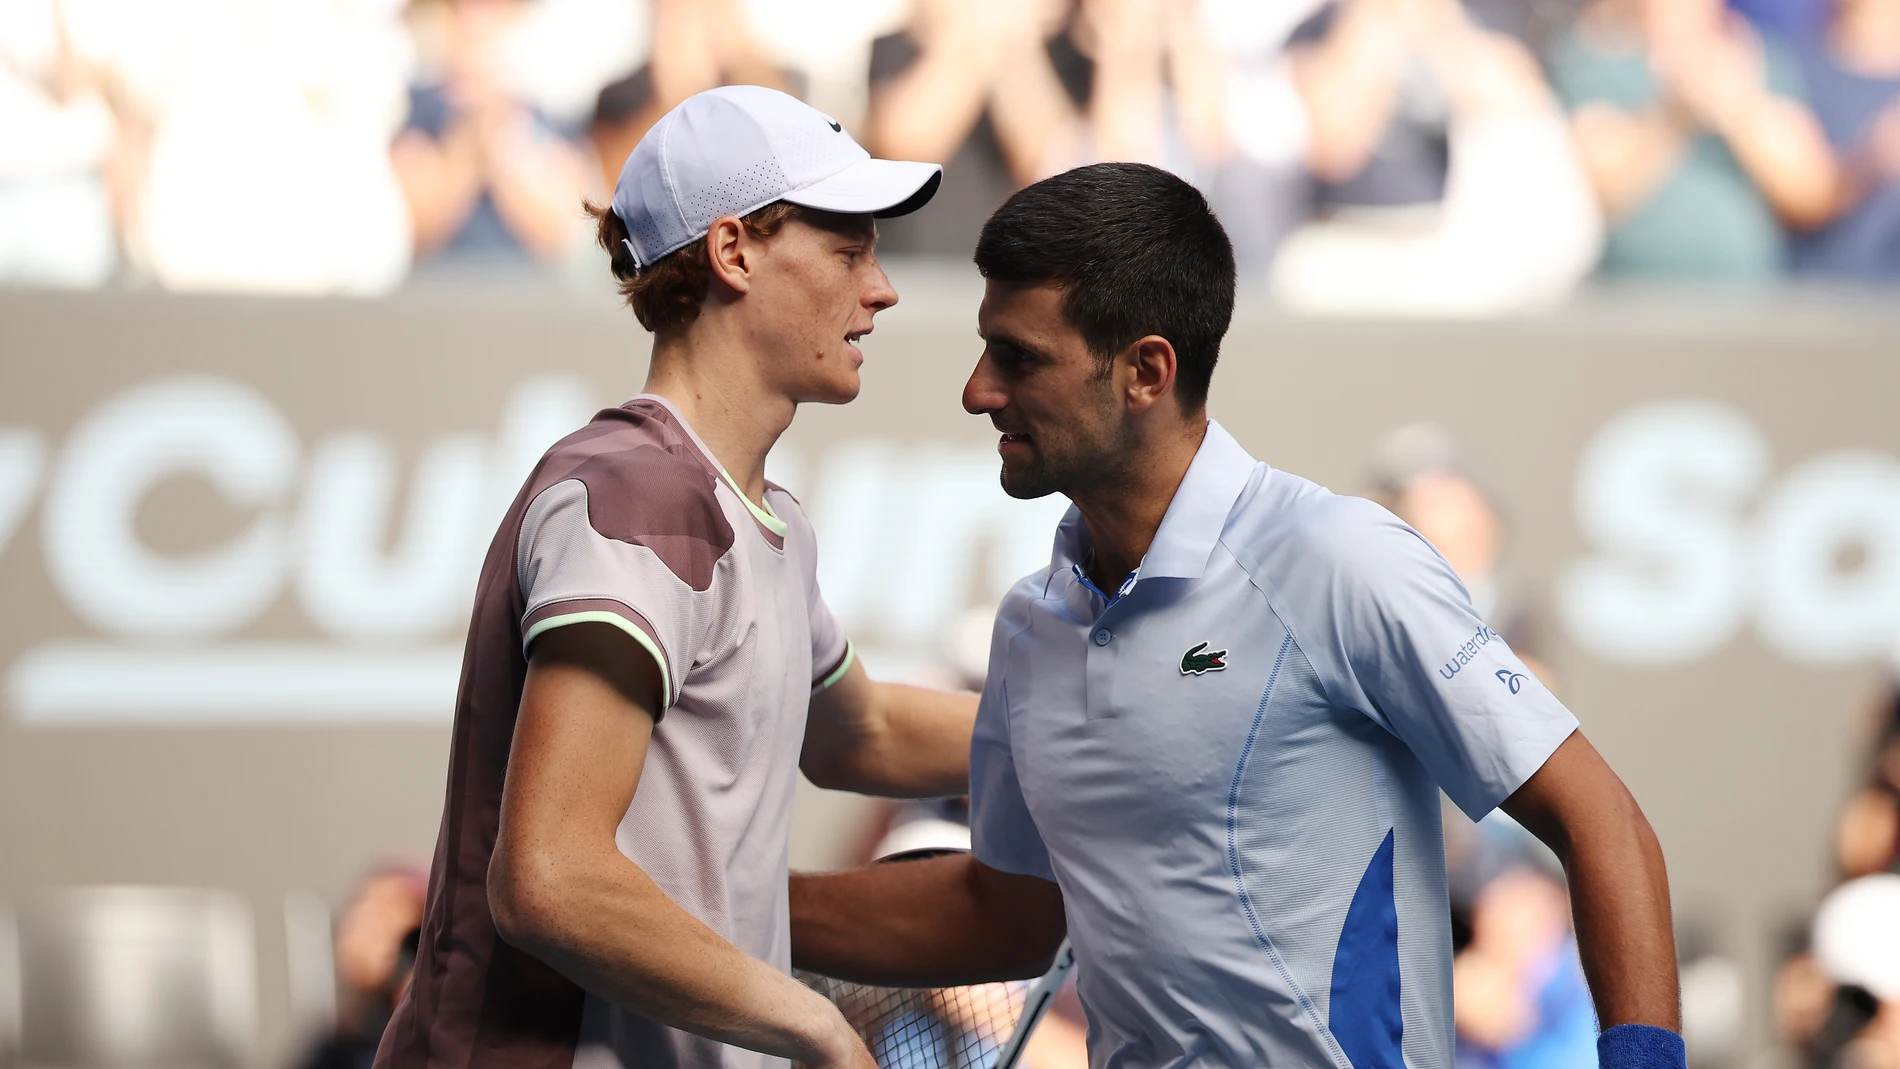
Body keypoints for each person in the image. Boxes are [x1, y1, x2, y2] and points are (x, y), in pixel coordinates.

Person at [790, 162, 1684, 1069]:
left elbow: (1601, 820)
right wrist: (722, 906)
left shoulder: (1338, 559)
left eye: (1019, 357)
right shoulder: (1030, 627)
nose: (979, 390)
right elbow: (1007, 915)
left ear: (1147, 372)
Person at [374, 85, 962, 1069]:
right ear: (733, 252)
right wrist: (812, 1021)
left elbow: (864, 729)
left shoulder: (753, 516)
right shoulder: (638, 496)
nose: (882, 288)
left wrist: (1097, 731)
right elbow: (548, 876)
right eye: (848, 249)